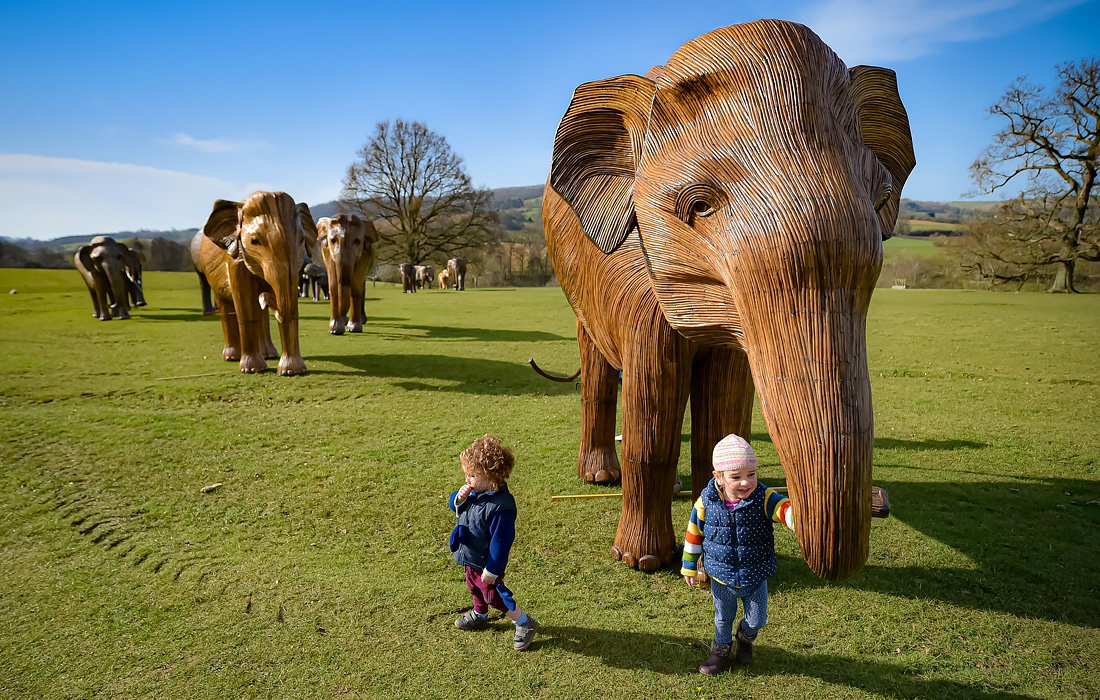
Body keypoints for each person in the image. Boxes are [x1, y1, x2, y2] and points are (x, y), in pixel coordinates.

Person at [681, 433, 795, 674]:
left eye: (751, 475)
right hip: (721, 577)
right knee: (723, 618)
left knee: (758, 619)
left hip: (755, 575)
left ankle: (745, 638)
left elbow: (782, 508)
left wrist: (796, 518)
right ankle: (720, 654)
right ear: (719, 478)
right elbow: (693, 534)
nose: (746, 483)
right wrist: (689, 566)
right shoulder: (705, 502)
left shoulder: (762, 496)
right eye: (737, 477)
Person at [448, 434, 540, 651]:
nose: (467, 480)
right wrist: (458, 498)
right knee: (474, 588)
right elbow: (457, 507)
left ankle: (524, 622)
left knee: (495, 596)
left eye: (471, 476)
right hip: (472, 556)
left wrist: (492, 569)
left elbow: (501, 543)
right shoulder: (475, 493)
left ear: (490, 477)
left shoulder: (501, 508)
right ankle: (480, 614)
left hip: (487, 565)